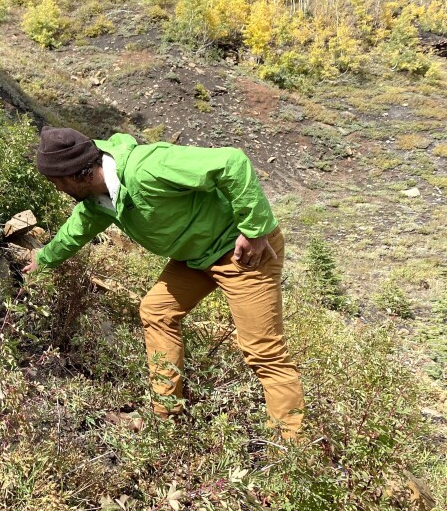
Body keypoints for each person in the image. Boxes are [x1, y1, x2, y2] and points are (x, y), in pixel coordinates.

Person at [23, 127, 304, 439]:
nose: (56, 189)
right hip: (196, 258)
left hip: (242, 252)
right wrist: (44, 259)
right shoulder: (98, 199)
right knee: (157, 310)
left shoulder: (147, 168)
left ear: (74, 175)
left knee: (263, 351)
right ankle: (166, 415)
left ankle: (291, 446)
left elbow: (231, 163)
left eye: (55, 182)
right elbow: (78, 227)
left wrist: (255, 230)